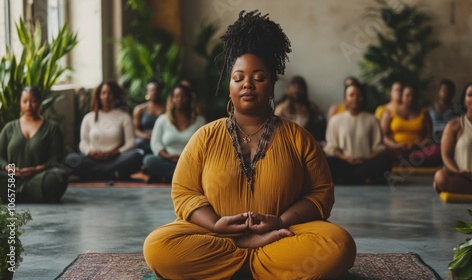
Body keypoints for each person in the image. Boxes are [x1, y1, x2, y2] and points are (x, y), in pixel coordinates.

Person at [143, 10, 356, 279]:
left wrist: (280, 221)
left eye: (259, 77)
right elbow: (184, 193)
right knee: (157, 247)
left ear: (271, 86)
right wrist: (216, 225)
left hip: (281, 235)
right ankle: (251, 253)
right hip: (217, 235)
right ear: (229, 85)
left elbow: (320, 194)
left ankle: (234, 263)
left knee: (339, 245)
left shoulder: (299, 138)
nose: (248, 85)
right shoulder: (205, 136)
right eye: (238, 77)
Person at [0, 87, 68, 203]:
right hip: (10, 178)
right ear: (20, 103)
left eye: (33, 101)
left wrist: (36, 169)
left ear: (40, 103)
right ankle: (32, 195)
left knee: (59, 176)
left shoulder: (52, 128)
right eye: (25, 101)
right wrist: (7, 168)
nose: (29, 105)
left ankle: (13, 195)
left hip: (38, 178)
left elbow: (56, 158)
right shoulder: (9, 128)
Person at [65, 81, 143, 181]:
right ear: (98, 96)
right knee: (71, 159)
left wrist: (114, 153)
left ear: (115, 96)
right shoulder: (89, 117)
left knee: (136, 156)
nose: (106, 97)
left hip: (116, 159)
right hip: (93, 159)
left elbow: (131, 143)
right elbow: (83, 143)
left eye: (110, 93)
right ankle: (111, 173)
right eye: (103, 93)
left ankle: (95, 174)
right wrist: (90, 152)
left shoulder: (124, 116)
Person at [324, 83, 391, 184]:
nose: (355, 98)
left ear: (363, 98)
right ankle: (362, 178)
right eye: (351, 95)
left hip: (366, 162)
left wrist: (366, 158)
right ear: (345, 99)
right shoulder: (335, 120)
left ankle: (348, 179)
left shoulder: (372, 119)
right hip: (344, 162)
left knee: (384, 162)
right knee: (327, 162)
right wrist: (345, 157)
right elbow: (331, 147)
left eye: (359, 95)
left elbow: (379, 147)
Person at [142, 84, 205, 183]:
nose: (180, 99)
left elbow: (203, 146)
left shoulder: (200, 121)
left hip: (191, 162)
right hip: (168, 160)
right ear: (172, 99)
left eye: (183, 96)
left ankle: (170, 177)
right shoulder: (162, 119)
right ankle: (184, 177)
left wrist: (185, 158)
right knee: (148, 160)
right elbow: (156, 143)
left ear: (189, 99)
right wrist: (167, 156)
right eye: (176, 96)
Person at [381, 84, 441, 166]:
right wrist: (395, 146)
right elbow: (383, 135)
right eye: (407, 95)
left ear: (417, 97)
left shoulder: (424, 113)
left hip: (417, 150)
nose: (410, 98)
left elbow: (429, 135)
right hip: (395, 150)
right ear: (402, 96)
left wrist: (418, 145)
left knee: (437, 150)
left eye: (414, 96)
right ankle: (409, 161)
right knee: (381, 150)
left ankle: (402, 161)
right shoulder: (389, 112)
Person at [274, 75, 327, 142]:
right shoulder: (281, 107)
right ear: (288, 89)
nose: (296, 90)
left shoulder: (310, 108)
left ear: (304, 90)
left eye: (299, 88)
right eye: (294, 87)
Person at [132, 81, 165, 155]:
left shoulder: (166, 109)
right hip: (145, 139)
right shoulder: (140, 109)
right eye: (151, 90)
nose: (154, 92)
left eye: (156, 90)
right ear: (147, 92)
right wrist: (145, 136)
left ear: (160, 92)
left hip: (162, 139)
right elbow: (135, 130)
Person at [427, 79, 459, 143]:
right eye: (444, 90)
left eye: (449, 91)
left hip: (451, 139)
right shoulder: (430, 107)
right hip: (432, 139)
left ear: (453, 93)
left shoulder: (457, 109)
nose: (446, 92)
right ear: (439, 91)